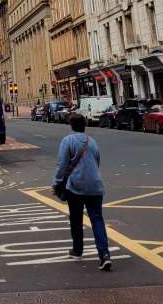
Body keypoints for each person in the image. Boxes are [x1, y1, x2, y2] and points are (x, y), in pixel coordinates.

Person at [53, 112, 112, 270]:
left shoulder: (68, 140)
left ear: (71, 126)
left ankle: (77, 250)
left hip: (76, 186)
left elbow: (62, 165)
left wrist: (57, 183)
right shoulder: (92, 141)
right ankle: (104, 255)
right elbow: (97, 161)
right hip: (95, 185)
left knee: (76, 219)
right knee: (97, 219)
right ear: (84, 126)